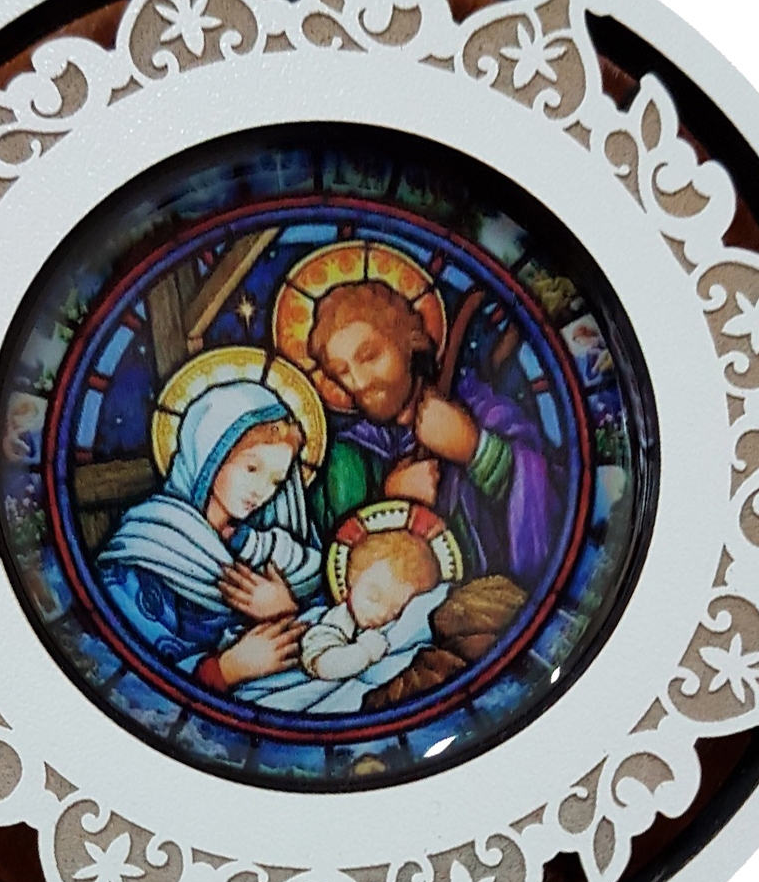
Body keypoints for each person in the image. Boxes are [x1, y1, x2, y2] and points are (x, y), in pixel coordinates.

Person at [305, 280, 558, 587]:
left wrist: (476, 450)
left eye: (369, 356)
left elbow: (552, 499)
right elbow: (330, 574)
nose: (358, 382)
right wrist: (390, 501)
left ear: (408, 341)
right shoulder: (345, 458)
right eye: (342, 371)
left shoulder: (482, 409)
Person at [97, 381, 322, 692]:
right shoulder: (149, 545)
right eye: (252, 468)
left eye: (276, 481)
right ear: (208, 454)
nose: (261, 491)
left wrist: (285, 609)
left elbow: (335, 635)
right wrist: (227, 670)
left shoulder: (273, 551)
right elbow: (122, 671)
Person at [299, 527, 446, 681]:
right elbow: (324, 666)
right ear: (352, 579)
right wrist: (364, 653)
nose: (381, 613)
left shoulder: (395, 627)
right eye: (374, 597)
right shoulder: (337, 620)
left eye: (395, 610)